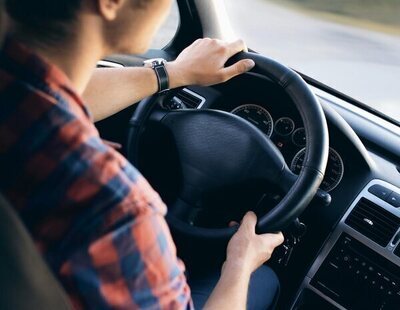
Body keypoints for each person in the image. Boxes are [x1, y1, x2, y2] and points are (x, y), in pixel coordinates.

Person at [0, 0, 284, 309]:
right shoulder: (115, 209)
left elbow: (56, 94)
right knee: (263, 279)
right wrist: (240, 263)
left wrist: (173, 73)